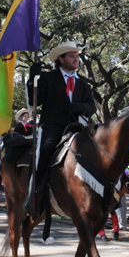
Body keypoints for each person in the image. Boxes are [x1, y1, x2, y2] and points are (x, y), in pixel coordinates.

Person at [26, 41, 96, 212]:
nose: (76, 60)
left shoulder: (83, 84)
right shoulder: (48, 78)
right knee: (43, 153)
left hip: (77, 127)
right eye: (71, 56)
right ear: (61, 59)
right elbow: (35, 101)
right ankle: (36, 193)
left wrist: (82, 107)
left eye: (77, 56)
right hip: (52, 126)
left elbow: (91, 107)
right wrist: (32, 81)